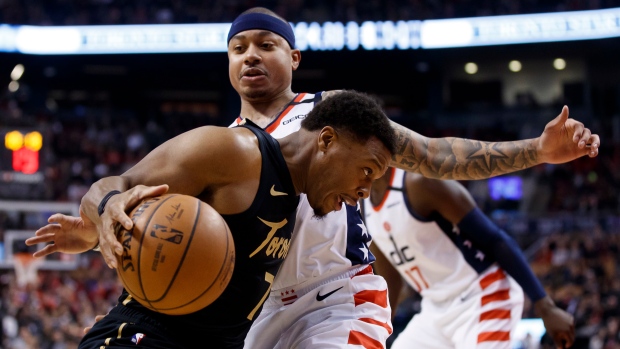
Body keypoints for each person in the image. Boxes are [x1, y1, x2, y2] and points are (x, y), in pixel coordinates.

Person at [31, 7, 599, 349]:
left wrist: (537, 151)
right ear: (226, 64)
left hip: (338, 299)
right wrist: (99, 226)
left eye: (267, 45)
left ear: (295, 58)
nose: (251, 56)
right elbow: (134, 195)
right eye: (238, 48)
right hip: (257, 313)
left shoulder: (336, 116)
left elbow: (436, 153)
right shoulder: (223, 146)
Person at [26, 90, 398, 349]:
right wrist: (105, 212)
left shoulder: (294, 202)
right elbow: (113, 185)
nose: (365, 190)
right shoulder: (235, 152)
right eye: (367, 170)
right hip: (147, 337)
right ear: (327, 140)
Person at [363, 168, 575, 349]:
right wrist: (377, 332)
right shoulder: (363, 202)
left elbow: (495, 239)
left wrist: (545, 306)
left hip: (484, 295)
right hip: (435, 308)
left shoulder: (419, 182)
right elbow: (390, 278)